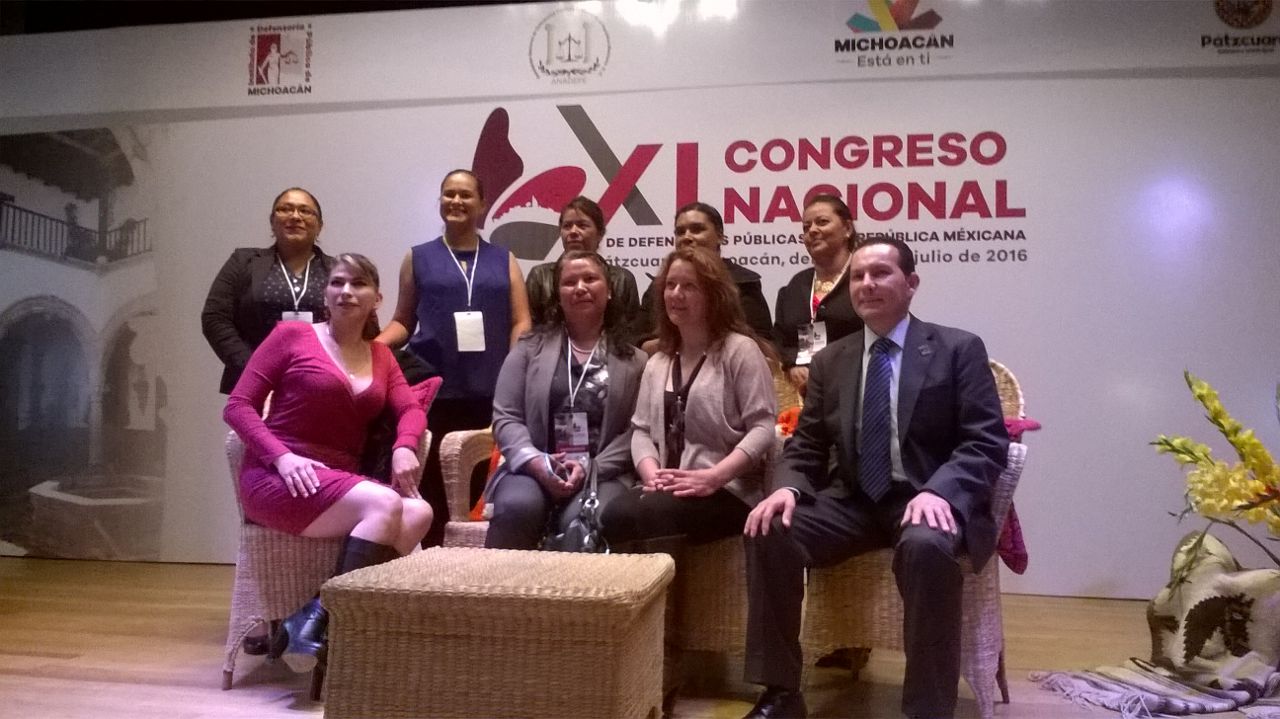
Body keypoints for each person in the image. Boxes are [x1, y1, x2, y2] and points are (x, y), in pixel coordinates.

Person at [740, 237, 1009, 719]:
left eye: (881, 273)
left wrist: (942, 491)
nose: (866, 284)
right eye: (859, 276)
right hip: (851, 501)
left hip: (924, 498)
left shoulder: (957, 349)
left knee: (927, 546)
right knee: (769, 529)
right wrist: (786, 487)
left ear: (911, 283)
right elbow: (807, 444)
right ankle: (780, 693)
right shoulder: (831, 361)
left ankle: (928, 710)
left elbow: (985, 441)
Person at [223, 253, 433, 673]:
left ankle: (316, 620)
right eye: (337, 282)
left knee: (420, 512)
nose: (346, 292)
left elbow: (411, 410)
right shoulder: (291, 336)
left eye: (358, 284)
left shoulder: (382, 357)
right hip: (278, 478)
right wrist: (281, 458)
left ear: (377, 299)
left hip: (336, 481)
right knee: (385, 504)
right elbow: (238, 406)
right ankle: (336, 629)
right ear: (325, 294)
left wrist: (404, 446)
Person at [378, 169, 532, 546]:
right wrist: (372, 347)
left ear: (482, 204)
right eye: (449, 194)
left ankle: (477, 563)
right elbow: (403, 321)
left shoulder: (504, 259)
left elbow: (521, 320)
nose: (456, 201)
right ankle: (434, 560)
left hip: (490, 390)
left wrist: (514, 371)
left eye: (465, 195)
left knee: (480, 486)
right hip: (435, 389)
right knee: (433, 485)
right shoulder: (417, 257)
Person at [485, 250, 646, 550]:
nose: (580, 288)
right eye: (570, 282)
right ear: (558, 295)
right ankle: (499, 583)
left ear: (609, 290)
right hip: (533, 468)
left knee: (582, 518)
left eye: (590, 279)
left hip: (602, 473)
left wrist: (589, 467)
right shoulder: (528, 348)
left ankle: (569, 584)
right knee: (518, 507)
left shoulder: (636, 361)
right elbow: (506, 416)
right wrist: (536, 462)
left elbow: (636, 431)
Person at [202, 187, 335, 394]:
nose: (295, 216)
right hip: (254, 384)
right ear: (272, 221)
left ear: (319, 226)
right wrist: (253, 369)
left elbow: (355, 325)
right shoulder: (243, 262)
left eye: (305, 211)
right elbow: (215, 317)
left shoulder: (337, 270)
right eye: (285, 209)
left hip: (322, 385)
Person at [637, 202, 774, 346]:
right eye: (680, 232)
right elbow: (636, 341)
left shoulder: (744, 283)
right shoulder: (659, 286)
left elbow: (764, 344)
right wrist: (678, 344)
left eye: (697, 230)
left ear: (720, 236)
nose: (686, 237)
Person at [772, 194, 863, 398]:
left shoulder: (865, 278)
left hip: (856, 389)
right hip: (806, 394)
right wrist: (792, 364)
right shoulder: (797, 285)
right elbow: (779, 340)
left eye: (822, 222)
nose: (812, 230)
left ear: (847, 229)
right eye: (806, 227)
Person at [525, 196, 642, 342]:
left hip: (610, 353)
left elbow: (632, 334)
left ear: (600, 233)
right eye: (567, 226)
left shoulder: (623, 279)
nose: (573, 231)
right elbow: (529, 332)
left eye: (582, 225)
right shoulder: (539, 276)